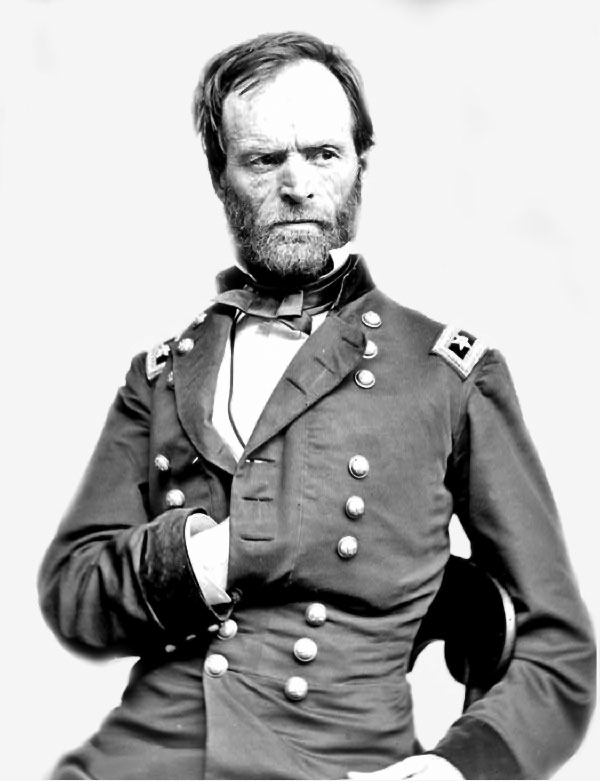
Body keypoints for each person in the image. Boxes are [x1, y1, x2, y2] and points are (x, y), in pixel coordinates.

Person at [38, 31, 595, 780]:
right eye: (265, 159)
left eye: (324, 154)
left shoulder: (450, 375)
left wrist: (457, 769)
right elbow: (74, 590)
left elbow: (556, 647)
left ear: (362, 165)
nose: (297, 185)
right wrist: (205, 558)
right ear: (220, 176)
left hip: (330, 764)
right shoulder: (161, 373)